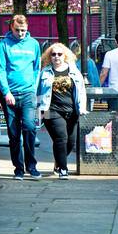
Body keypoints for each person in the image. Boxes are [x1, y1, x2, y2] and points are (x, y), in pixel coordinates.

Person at [0, 14, 43, 178]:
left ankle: (32, 165)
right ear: (11, 27)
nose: (21, 33)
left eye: (23, 30)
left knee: (29, 127)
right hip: (10, 95)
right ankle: (19, 168)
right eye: (17, 30)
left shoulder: (34, 44)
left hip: (28, 93)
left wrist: (34, 89)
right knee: (14, 134)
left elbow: (37, 68)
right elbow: (0, 69)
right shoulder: (4, 44)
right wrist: (6, 91)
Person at [38, 43, 88, 177]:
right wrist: (39, 112)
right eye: (53, 54)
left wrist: (82, 108)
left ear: (65, 55)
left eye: (59, 54)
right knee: (61, 138)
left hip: (72, 111)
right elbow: (38, 92)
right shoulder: (45, 72)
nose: (56, 57)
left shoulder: (74, 71)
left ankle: (58, 162)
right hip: (51, 110)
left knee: (70, 142)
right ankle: (63, 169)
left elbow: (81, 91)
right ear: (49, 57)